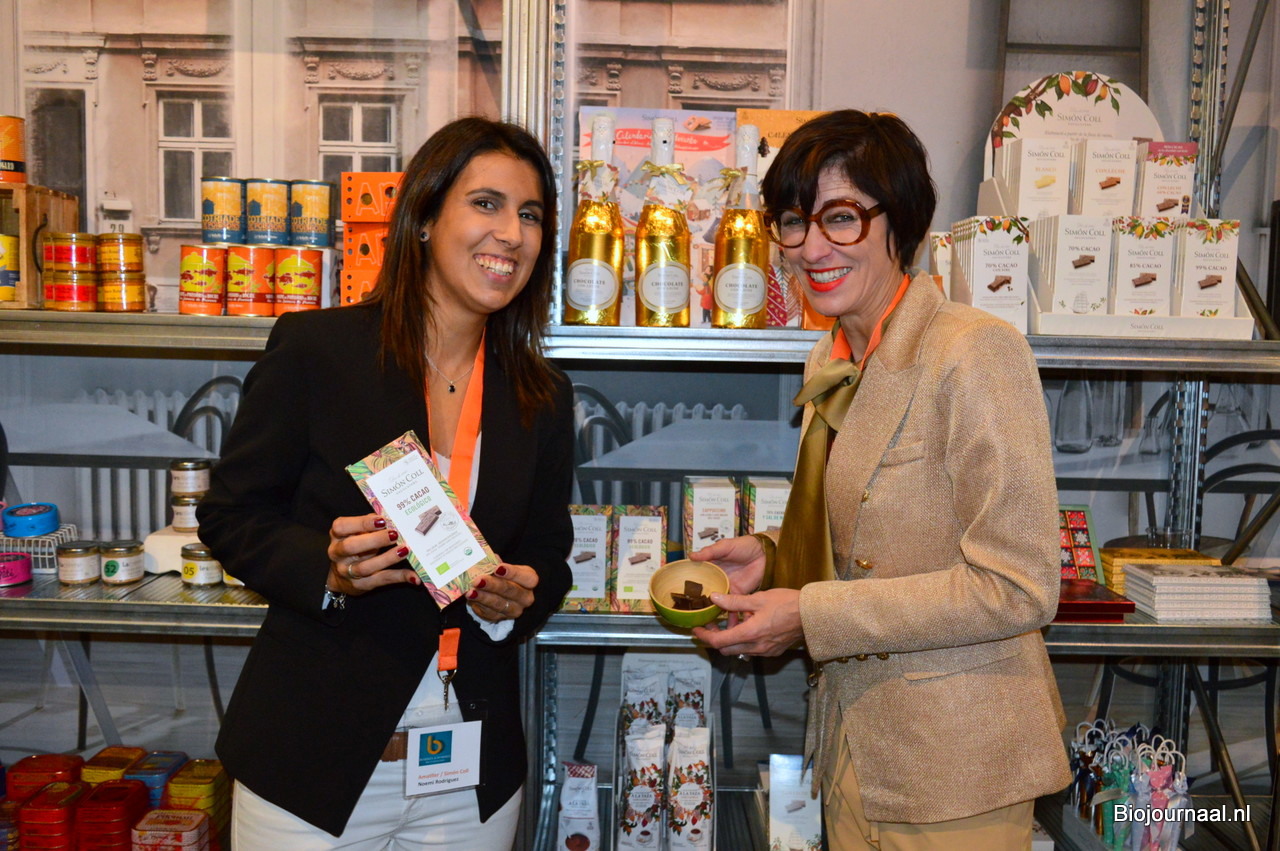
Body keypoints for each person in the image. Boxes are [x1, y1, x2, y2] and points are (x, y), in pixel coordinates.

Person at [691, 109, 1071, 850]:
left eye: (841, 218)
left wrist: (812, 615)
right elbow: (871, 535)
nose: (811, 248)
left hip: (956, 765)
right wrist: (774, 556)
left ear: (900, 220)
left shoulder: (972, 351)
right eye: (793, 222)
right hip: (852, 747)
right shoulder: (832, 356)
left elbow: (1019, 584)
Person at [198, 117, 573, 850]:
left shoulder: (542, 395)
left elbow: (547, 555)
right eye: (487, 203)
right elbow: (232, 515)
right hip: (313, 765)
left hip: (468, 777)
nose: (511, 234)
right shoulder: (320, 352)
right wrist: (327, 569)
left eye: (531, 215)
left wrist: (517, 599)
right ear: (425, 218)